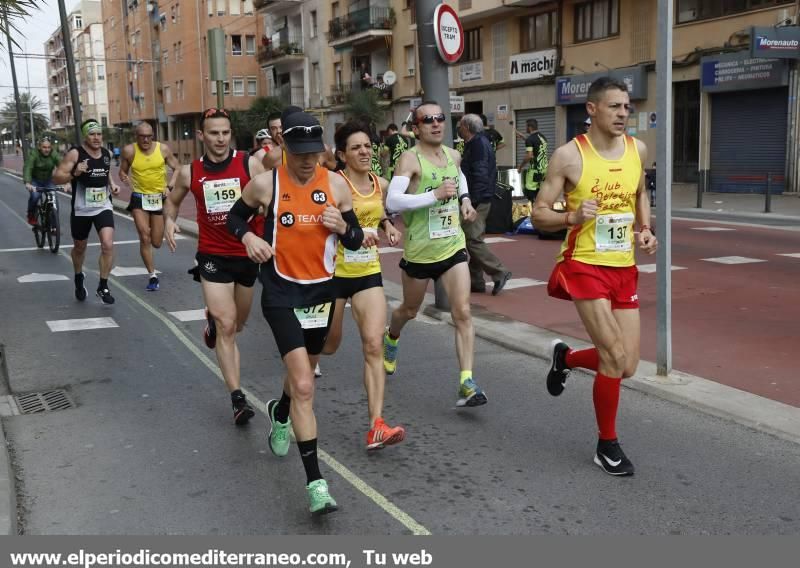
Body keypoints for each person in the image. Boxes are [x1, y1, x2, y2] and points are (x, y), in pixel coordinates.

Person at [227, 111, 367, 515]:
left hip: (321, 292)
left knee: (302, 373)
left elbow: (356, 242)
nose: (308, 161)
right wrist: (249, 235)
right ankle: (316, 484)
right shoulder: (265, 185)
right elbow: (235, 217)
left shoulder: (337, 185)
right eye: (300, 152)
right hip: (281, 293)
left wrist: (343, 227)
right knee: (305, 383)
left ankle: (280, 411)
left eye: (314, 153)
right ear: (284, 146)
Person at [531, 77, 658, 477]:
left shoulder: (637, 149)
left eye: (626, 107)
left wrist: (645, 228)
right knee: (613, 356)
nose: (623, 113)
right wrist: (570, 215)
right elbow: (537, 212)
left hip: (623, 267)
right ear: (592, 109)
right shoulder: (569, 157)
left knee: (629, 364)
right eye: (614, 106)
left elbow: (639, 192)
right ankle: (607, 445)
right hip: (584, 264)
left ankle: (566, 358)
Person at [164, 108, 267, 426]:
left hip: (248, 254)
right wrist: (169, 220)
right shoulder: (189, 171)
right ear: (201, 136)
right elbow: (173, 200)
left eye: (225, 132)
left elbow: (269, 197)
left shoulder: (249, 163)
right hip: (212, 255)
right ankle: (238, 398)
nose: (220, 139)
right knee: (227, 325)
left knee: (236, 325)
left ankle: (212, 322)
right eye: (213, 133)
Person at [383, 100, 487, 408]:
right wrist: (433, 195)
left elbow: (459, 179)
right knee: (408, 311)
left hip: (452, 245)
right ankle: (392, 336)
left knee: (463, 312)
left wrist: (465, 201)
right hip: (419, 251)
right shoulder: (408, 160)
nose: (436, 123)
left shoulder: (453, 154)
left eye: (440, 118)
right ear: (416, 128)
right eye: (427, 120)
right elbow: (394, 202)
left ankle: (466, 381)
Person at [321, 120, 405, 451]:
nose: (365, 151)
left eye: (368, 145)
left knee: (373, 345)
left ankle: (376, 426)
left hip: (368, 273)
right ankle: (286, 402)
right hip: (333, 275)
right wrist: (345, 229)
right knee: (327, 347)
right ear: (341, 154)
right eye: (356, 147)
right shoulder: (332, 183)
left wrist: (387, 225)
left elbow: (378, 211)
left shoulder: (378, 182)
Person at [52, 119, 120, 304]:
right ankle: (78, 276)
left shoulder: (106, 154)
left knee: (107, 244)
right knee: (80, 247)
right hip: (81, 209)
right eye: (92, 134)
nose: (96, 137)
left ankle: (103, 286)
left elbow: (105, 172)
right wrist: (75, 173)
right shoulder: (75, 154)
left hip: (103, 206)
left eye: (99, 134)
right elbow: (57, 177)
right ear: (85, 136)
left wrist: (112, 185)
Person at [119, 123, 182, 291]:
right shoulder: (129, 151)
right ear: (136, 137)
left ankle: (160, 228)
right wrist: (125, 179)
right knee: (144, 237)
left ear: (153, 136)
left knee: (156, 242)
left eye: (149, 136)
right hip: (139, 198)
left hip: (157, 198)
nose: (146, 139)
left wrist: (169, 187)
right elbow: (122, 172)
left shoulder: (163, 150)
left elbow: (177, 168)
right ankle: (152, 276)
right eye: (142, 136)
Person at [458, 114, 512, 295]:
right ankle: (476, 281)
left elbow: (479, 174)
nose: (458, 127)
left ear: (466, 127)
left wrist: (471, 201)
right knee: (472, 238)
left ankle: (499, 272)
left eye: (459, 124)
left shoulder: (478, 145)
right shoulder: (479, 142)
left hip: (477, 199)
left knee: (473, 240)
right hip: (480, 198)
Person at [23, 138, 61, 225]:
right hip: (35, 180)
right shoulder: (34, 154)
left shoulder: (54, 154)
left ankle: (54, 226)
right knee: (35, 196)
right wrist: (28, 182)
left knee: (54, 198)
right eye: (44, 147)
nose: (47, 149)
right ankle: (31, 215)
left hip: (48, 180)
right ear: (39, 147)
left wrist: (67, 182)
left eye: (48, 147)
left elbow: (62, 166)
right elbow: (28, 167)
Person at [517, 118, 548, 206]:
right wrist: (524, 137)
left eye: (526, 126)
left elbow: (529, 155)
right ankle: (540, 207)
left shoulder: (530, 139)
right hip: (544, 169)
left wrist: (520, 166)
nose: (525, 128)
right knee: (539, 189)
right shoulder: (542, 137)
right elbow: (536, 144)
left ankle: (533, 210)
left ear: (529, 127)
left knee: (529, 191)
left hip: (534, 170)